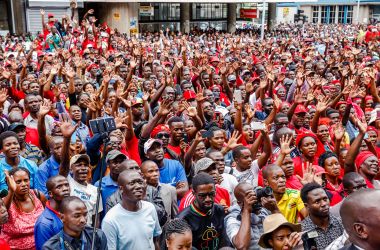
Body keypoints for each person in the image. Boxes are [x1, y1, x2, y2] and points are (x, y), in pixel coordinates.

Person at [102, 170, 162, 249]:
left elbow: (155, 241)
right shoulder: (111, 220)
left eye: (140, 182)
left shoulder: (150, 208)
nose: (138, 186)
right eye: (132, 183)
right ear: (121, 189)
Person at [177, 172, 228, 249]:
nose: (208, 199)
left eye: (211, 194)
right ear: (194, 193)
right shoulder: (183, 219)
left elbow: (224, 241)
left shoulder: (219, 210)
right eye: (202, 196)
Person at [0, 167, 46, 250]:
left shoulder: (38, 195)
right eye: (18, 182)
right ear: (10, 183)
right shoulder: (5, 201)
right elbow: (4, 211)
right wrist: (11, 190)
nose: (24, 184)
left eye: (26, 180)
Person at [225, 182, 279, 249]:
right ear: (239, 203)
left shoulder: (265, 210)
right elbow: (241, 246)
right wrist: (246, 210)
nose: (255, 198)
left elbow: (286, 234)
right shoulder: (233, 219)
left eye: (255, 193)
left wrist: (275, 209)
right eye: (249, 196)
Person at [42, 196, 108, 250]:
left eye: (85, 215)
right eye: (77, 216)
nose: (83, 220)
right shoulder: (51, 247)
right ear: (62, 217)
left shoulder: (97, 236)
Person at [300, 183, 344, 249]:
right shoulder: (303, 230)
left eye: (325, 199)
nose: (324, 204)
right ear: (307, 206)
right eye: (317, 202)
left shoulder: (341, 222)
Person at [34, 175, 70, 250]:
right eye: (59, 187)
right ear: (50, 194)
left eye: (67, 185)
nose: (65, 189)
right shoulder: (44, 224)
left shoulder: (69, 210)